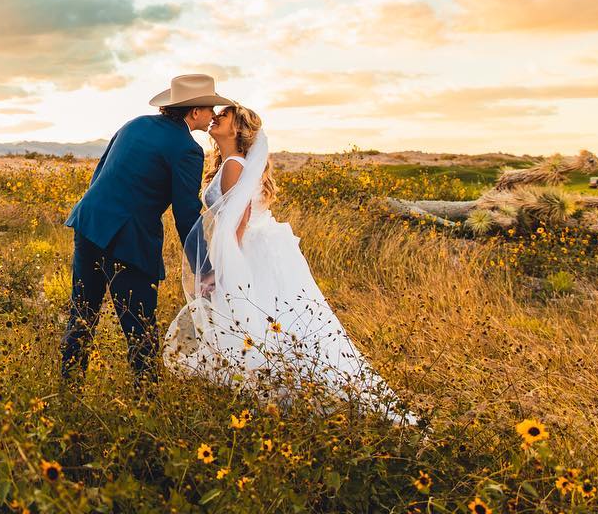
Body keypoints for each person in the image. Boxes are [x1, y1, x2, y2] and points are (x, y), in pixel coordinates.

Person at [164, 104, 417, 424]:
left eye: (224, 115)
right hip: (259, 246)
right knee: (276, 318)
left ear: (238, 128)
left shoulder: (233, 165)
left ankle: (267, 382)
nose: (215, 117)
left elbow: (236, 225)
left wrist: (228, 269)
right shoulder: (232, 163)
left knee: (254, 316)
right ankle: (283, 379)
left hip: (245, 250)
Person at [60, 74, 231, 386]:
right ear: (194, 112)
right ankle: (147, 398)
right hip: (128, 240)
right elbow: (186, 214)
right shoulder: (187, 148)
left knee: (82, 313)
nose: (212, 117)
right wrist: (203, 269)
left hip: (89, 224)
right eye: (210, 110)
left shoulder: (134, 124)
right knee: (140, 328)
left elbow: (100, 173)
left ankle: (68, 388)